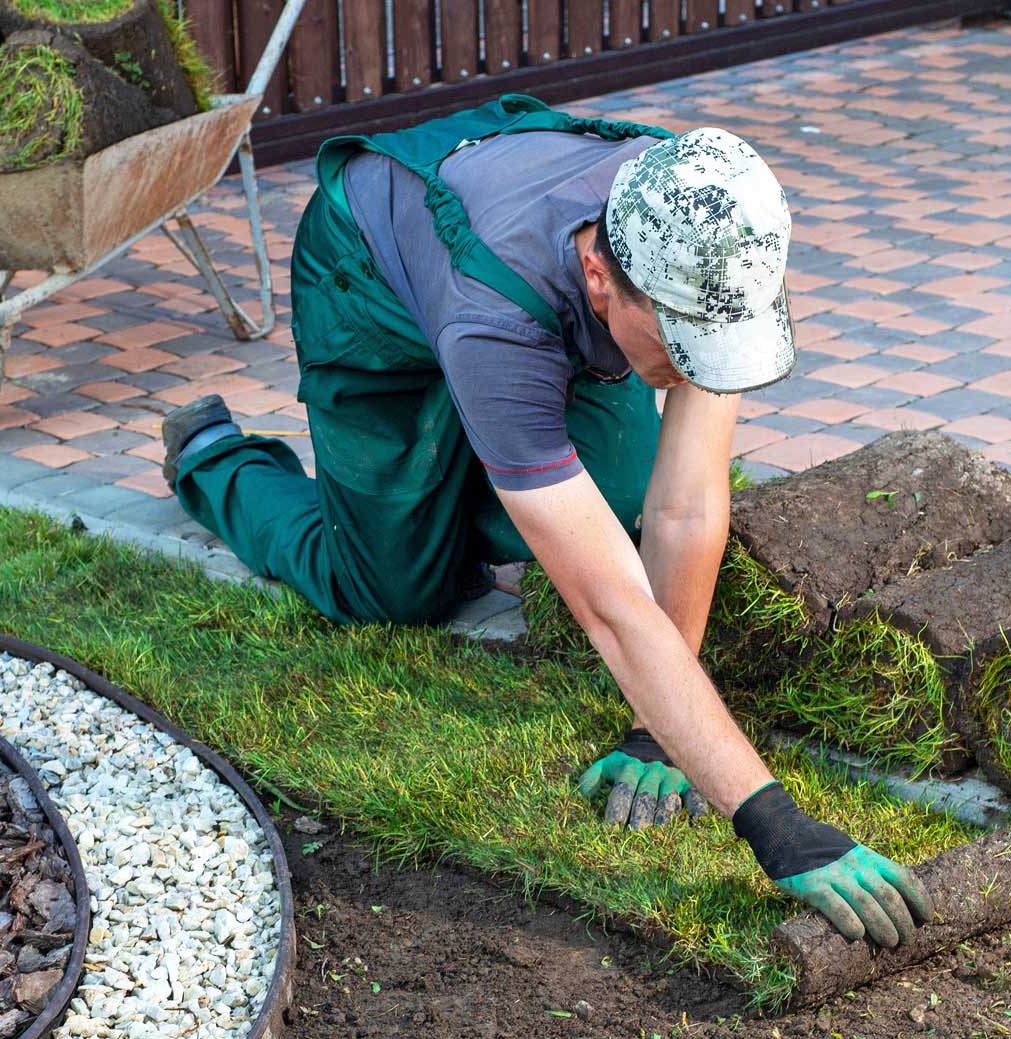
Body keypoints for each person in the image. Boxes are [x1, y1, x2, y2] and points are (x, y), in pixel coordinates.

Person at [161, 95, 931, 949]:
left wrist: (656, 734)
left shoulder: (707, 227)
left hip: (503, 264)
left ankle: (484, 454)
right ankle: (216, 459)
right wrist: (774, 822)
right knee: (389, 588)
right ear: (600, 277)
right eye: (678, 345)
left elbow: (684, 506)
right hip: (370, 272)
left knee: (623, 494)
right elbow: (611, 608)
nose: (694, 370)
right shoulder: (496, 313)